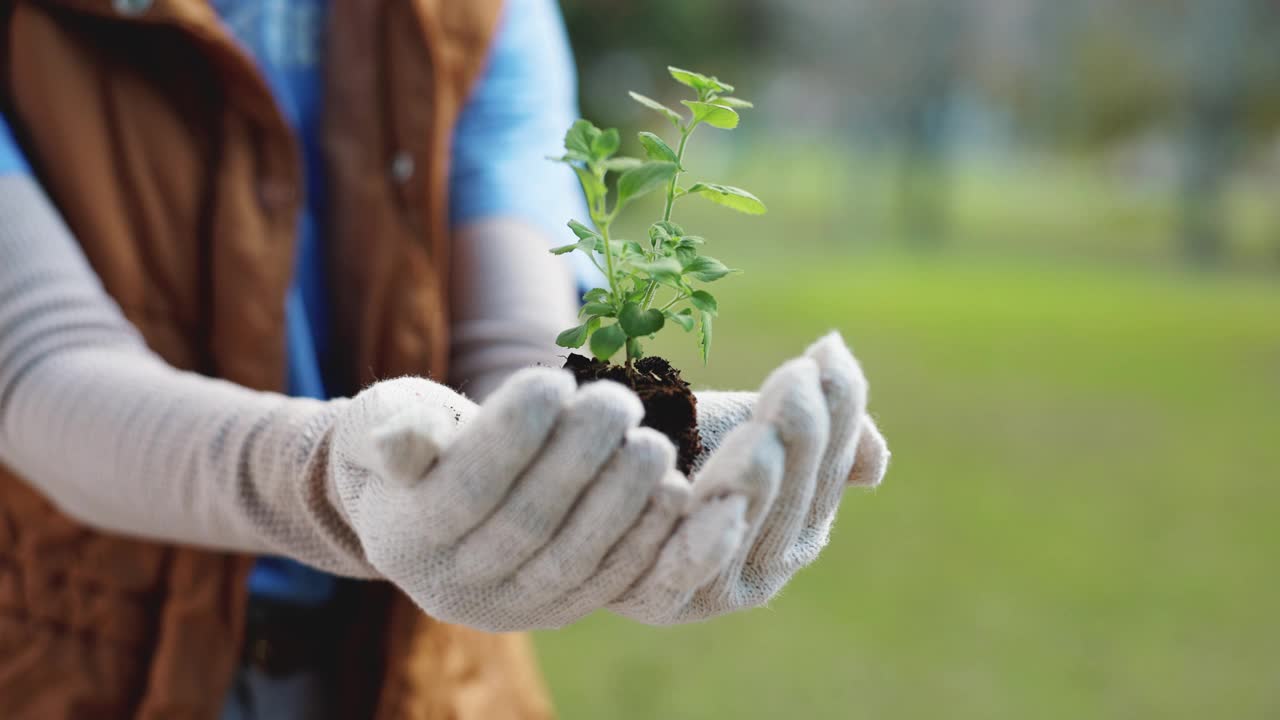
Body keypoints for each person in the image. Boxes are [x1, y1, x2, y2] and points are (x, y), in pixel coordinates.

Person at [0, 0, 889, 717]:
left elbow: (513, 351)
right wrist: (334, 479)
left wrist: (595, 475)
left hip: (425, 678)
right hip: (80, 662)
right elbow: (34, 364)